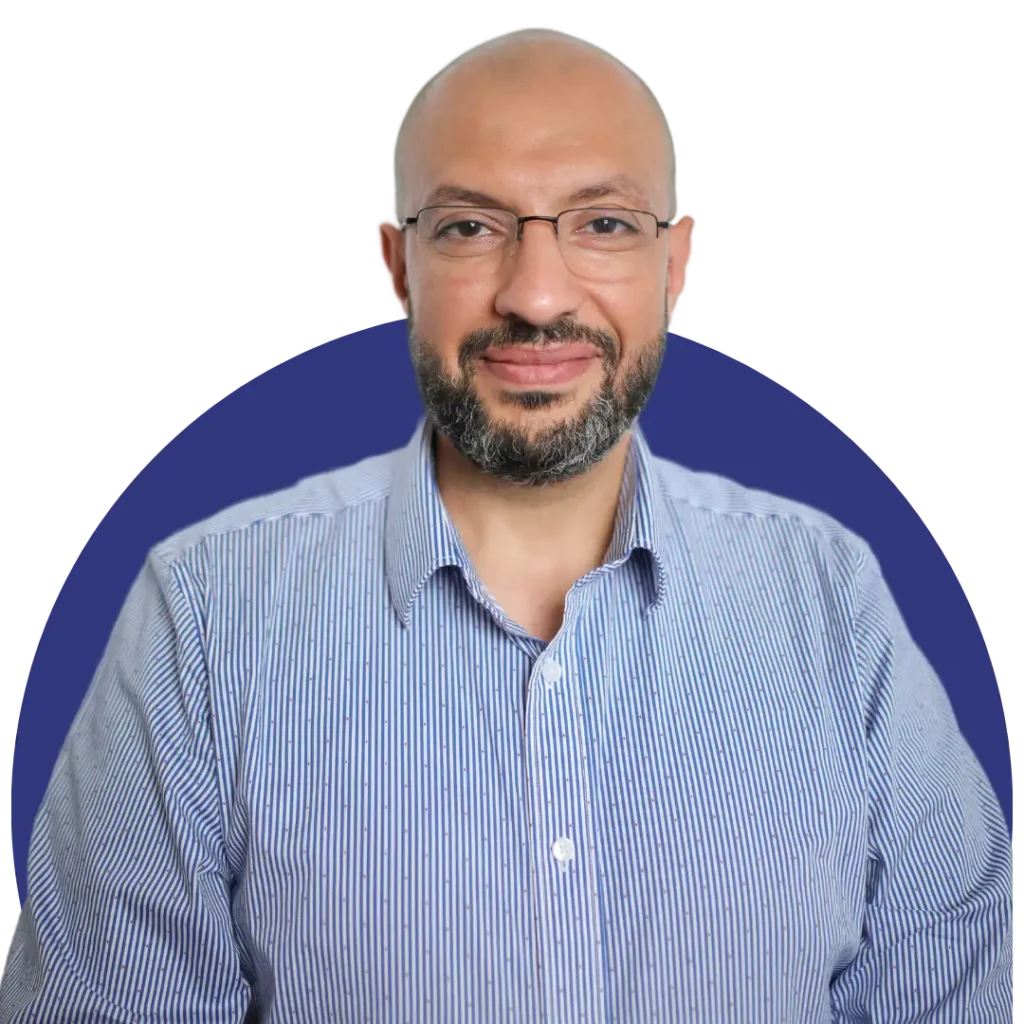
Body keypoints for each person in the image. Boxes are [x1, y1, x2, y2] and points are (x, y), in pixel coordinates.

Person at [2, 26, 1014, 1024]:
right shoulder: (203, 615)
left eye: (603, 223)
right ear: (398, 266)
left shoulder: (830, 595)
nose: (535, 296)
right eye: (470, 228)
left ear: (677, 265)